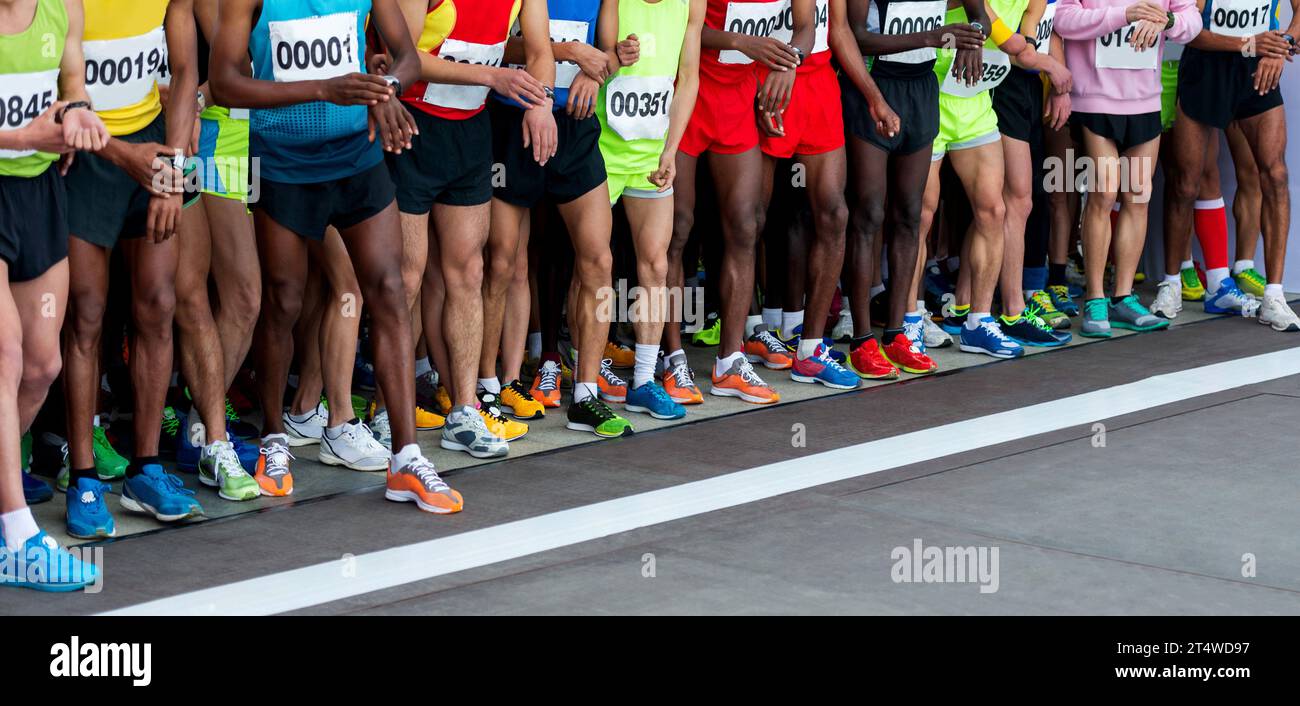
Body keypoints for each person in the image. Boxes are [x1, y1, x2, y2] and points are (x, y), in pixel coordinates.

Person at [211, 0, 463, 514]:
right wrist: (326, 89)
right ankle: (275, 441)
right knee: (283, 301)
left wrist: (384, 90)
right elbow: (225, 84)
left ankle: (405, 458)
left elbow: (407, 56)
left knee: (390, 290)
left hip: (356, 153)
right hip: (282, 161)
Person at [390, 0, 554, 458]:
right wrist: (491, 76)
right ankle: (388, 411)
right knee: (406, 277)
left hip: (469, 132)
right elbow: (405, 55)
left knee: (468, 272)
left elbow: (540, 51)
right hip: (412, 126)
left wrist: (540, 103)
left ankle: (464, 408)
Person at [63, 0, 202, 536]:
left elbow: (187, 69)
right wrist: (136, 159)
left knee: (158, 305)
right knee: (87, 316)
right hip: (88, 157)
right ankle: (84, 477)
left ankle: (145, 469)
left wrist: (172, 165)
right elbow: (57, 103)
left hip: (154, 147)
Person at [490, 0, 637, 437]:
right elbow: (497, 48)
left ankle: (586, 396)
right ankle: (497, 386)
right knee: (504, 264)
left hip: (574, 125)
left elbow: (608, 54)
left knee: (599, 260)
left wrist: (596, 69)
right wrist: (570, 50)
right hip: (513, 118)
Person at [0, 0, 109, 589]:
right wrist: (22, 134)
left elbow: (72, 81)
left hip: (38, 191)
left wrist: (76, 115)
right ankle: (17, 533)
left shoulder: (62, 5)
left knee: (42, 365)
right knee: (5, 355)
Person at [665, 0, 800, 406]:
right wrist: (741, 42)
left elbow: (806, 28)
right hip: (688, 91)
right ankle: (671, 357)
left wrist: (787, 64)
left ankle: (730, 359)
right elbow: (682, 25)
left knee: (745, 226)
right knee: (677, 229)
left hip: (738, 98)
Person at [760, 0, 900, 389]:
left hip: (817, 82)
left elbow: (836, 30)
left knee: (833, 214)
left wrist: (874, 96)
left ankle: (810, 348)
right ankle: (741, 344)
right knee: (749, 219)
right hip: (766, 78)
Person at [844, 0, 986, 377]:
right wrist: (930, 37)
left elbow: (980, 13)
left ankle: (896, 334)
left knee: (910, 214)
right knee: (868, 214)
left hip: (921, 89)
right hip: (874, 87)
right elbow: (856, 36)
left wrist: (975, 39)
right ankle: (861, 339)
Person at [1055, 0, 1200, 337]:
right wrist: (1124, 15)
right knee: (1104, 193)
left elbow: (1192, 20)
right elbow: (1061, 18)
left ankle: (1122, 297)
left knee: (1137, 196)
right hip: (1095, 98)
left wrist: (1168, 20)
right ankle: (1095, 298)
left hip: (1144, 98)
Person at [172, 0, 266, 500]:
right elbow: (239, 66)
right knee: (201, 293)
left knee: (247, 298)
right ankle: (202, 430)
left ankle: (199, 419)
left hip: (247, 130)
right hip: (210, 135)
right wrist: (189, 101)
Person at [1159, 0, 1300, 331]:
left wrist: (1283, 46)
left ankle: (1274, 296)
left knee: (1275, 175)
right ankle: (1171, 284)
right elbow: (1189, 31)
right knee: (1185, 183)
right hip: (1206, 69)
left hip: (1256, 70)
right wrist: (1249, 43)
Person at [594, 0, 705, 421]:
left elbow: (689, 78)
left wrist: (672, 150)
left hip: (651, 154)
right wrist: (616, 57)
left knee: (655, 266)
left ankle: (643, 380)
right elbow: (601, 62)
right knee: (594, 264)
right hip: (602, 150)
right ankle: (591, 369)